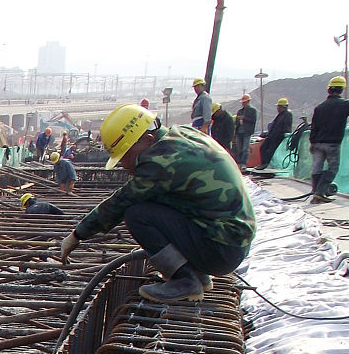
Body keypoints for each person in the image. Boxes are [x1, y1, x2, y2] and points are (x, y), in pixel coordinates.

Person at [59, 104, 255, 303]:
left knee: (136, 214)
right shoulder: (182, 135)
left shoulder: (162, 161)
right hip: (232, 241)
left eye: (126, 156)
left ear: (148, 140)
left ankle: (185, 281)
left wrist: (77, 235)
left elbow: (120, 202)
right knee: (160, 202)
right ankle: (197, 275)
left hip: (222, 249)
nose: (125, 165)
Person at [308, 75, 349, 204]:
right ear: (341, 90)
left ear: (329, 90)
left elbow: (314, 127)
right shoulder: (345, 105)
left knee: (317, 168)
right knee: (333, 168)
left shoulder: (319, 107)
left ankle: (316, 193)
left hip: (317, 143)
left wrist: (312, 142)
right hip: (333, 143)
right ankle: (319, 193)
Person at [256, 98, 292, 170]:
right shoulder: (280, 115)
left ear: (283, 107)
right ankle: (263, 163)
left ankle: (266, 164)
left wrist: (281, 135)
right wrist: (267, 134)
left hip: (278, 137)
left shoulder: (287, 115)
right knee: (263, 147)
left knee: (270, 150)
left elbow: (286, 127)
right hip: (272, 136)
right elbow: (274, 125)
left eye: (279, 106)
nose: (277, 108)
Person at [233, 94, 258, 168]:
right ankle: (239, 163)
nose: (243, 104)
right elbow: (236, 122)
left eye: (244, 102)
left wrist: (244, 118)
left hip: (247, 132)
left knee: (245, 148)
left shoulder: (253, 111)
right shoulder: (240, 111)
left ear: (248, 101)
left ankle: (244, 163)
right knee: (239, 148)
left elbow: (253, 121)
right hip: (239, 132)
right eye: (243, 102)